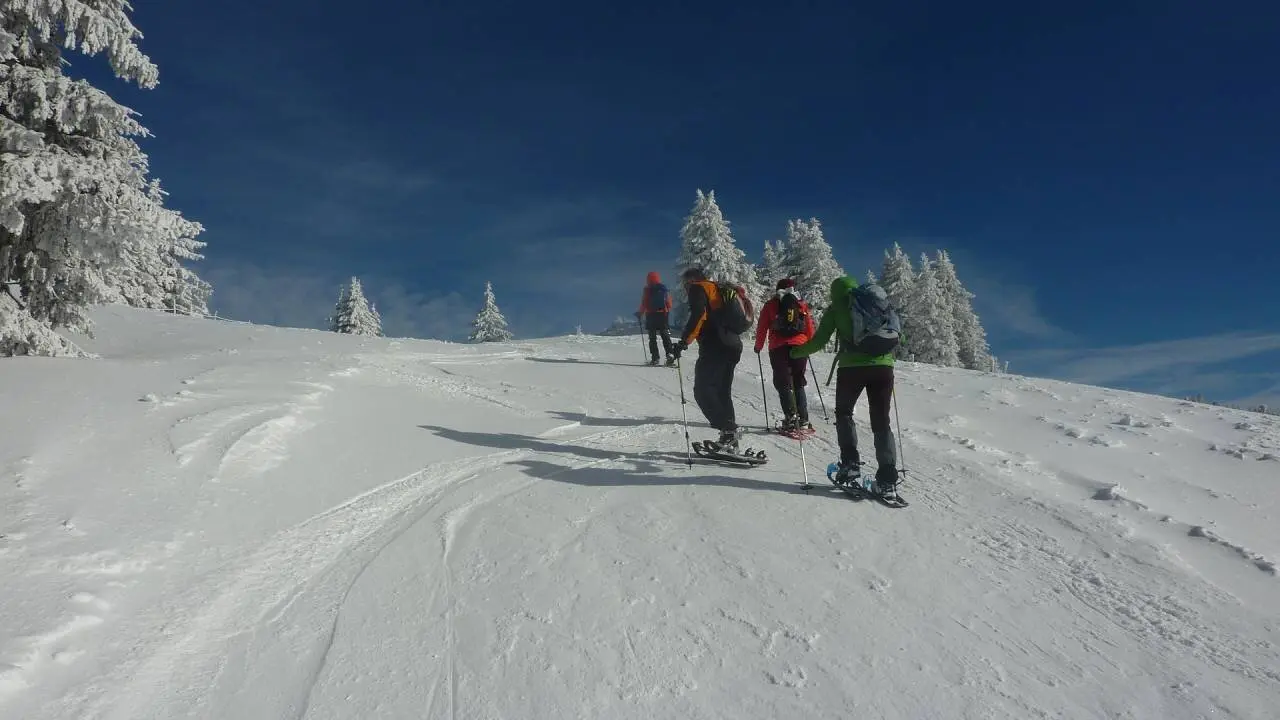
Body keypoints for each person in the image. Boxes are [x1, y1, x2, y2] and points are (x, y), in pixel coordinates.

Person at [790, 276, 899, 494]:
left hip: (851, 369)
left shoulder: (838, 308)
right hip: (884, 368)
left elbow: (819, 341)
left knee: (845, 414)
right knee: (881, 421)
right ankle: (887, 478)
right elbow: (899, 337)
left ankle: (850, 464)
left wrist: (795, 352)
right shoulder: (876, 303)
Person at [671, 267, 752, 452]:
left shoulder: (698, 287)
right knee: (722, 392)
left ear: (691, 280)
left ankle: (729, 431)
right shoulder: (718, 291)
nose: (685, 288)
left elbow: (699, 315)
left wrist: (684, 341)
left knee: (702, 390)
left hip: (715, 344)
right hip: (732, 346)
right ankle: (730, 441)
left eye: (685, 283)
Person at [753, 278, 816, 432]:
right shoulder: (801, 305)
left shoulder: (770, 305)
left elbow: (762, 326)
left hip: (778, 347)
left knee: (783, 382)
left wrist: (758, 345)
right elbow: (809, 326)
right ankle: (803, 419)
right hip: (799, 346)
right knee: (798, 381)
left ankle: (790, 417)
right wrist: (810, 344)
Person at [636, 271, 675, 366]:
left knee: (652, 339)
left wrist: (640, 313)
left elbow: (644, 303)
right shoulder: (663, 289)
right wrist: (665, 310)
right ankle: (670, 355)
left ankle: (655, 358)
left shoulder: (647, 289)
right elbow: (669, 304)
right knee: (665, 337)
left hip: (651, 316)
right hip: (663, 316)